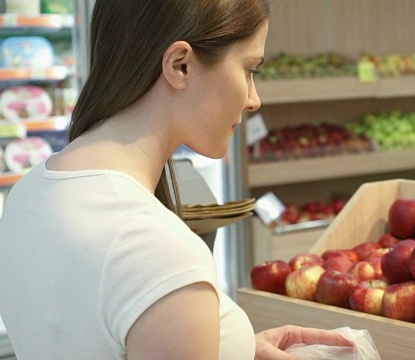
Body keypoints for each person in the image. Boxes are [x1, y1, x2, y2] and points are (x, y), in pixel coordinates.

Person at [0, 0, 353, 359]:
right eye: (250, 70)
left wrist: (232, 349)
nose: (253, 100)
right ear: (179, 65)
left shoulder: (27, 191)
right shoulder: (159, 252)